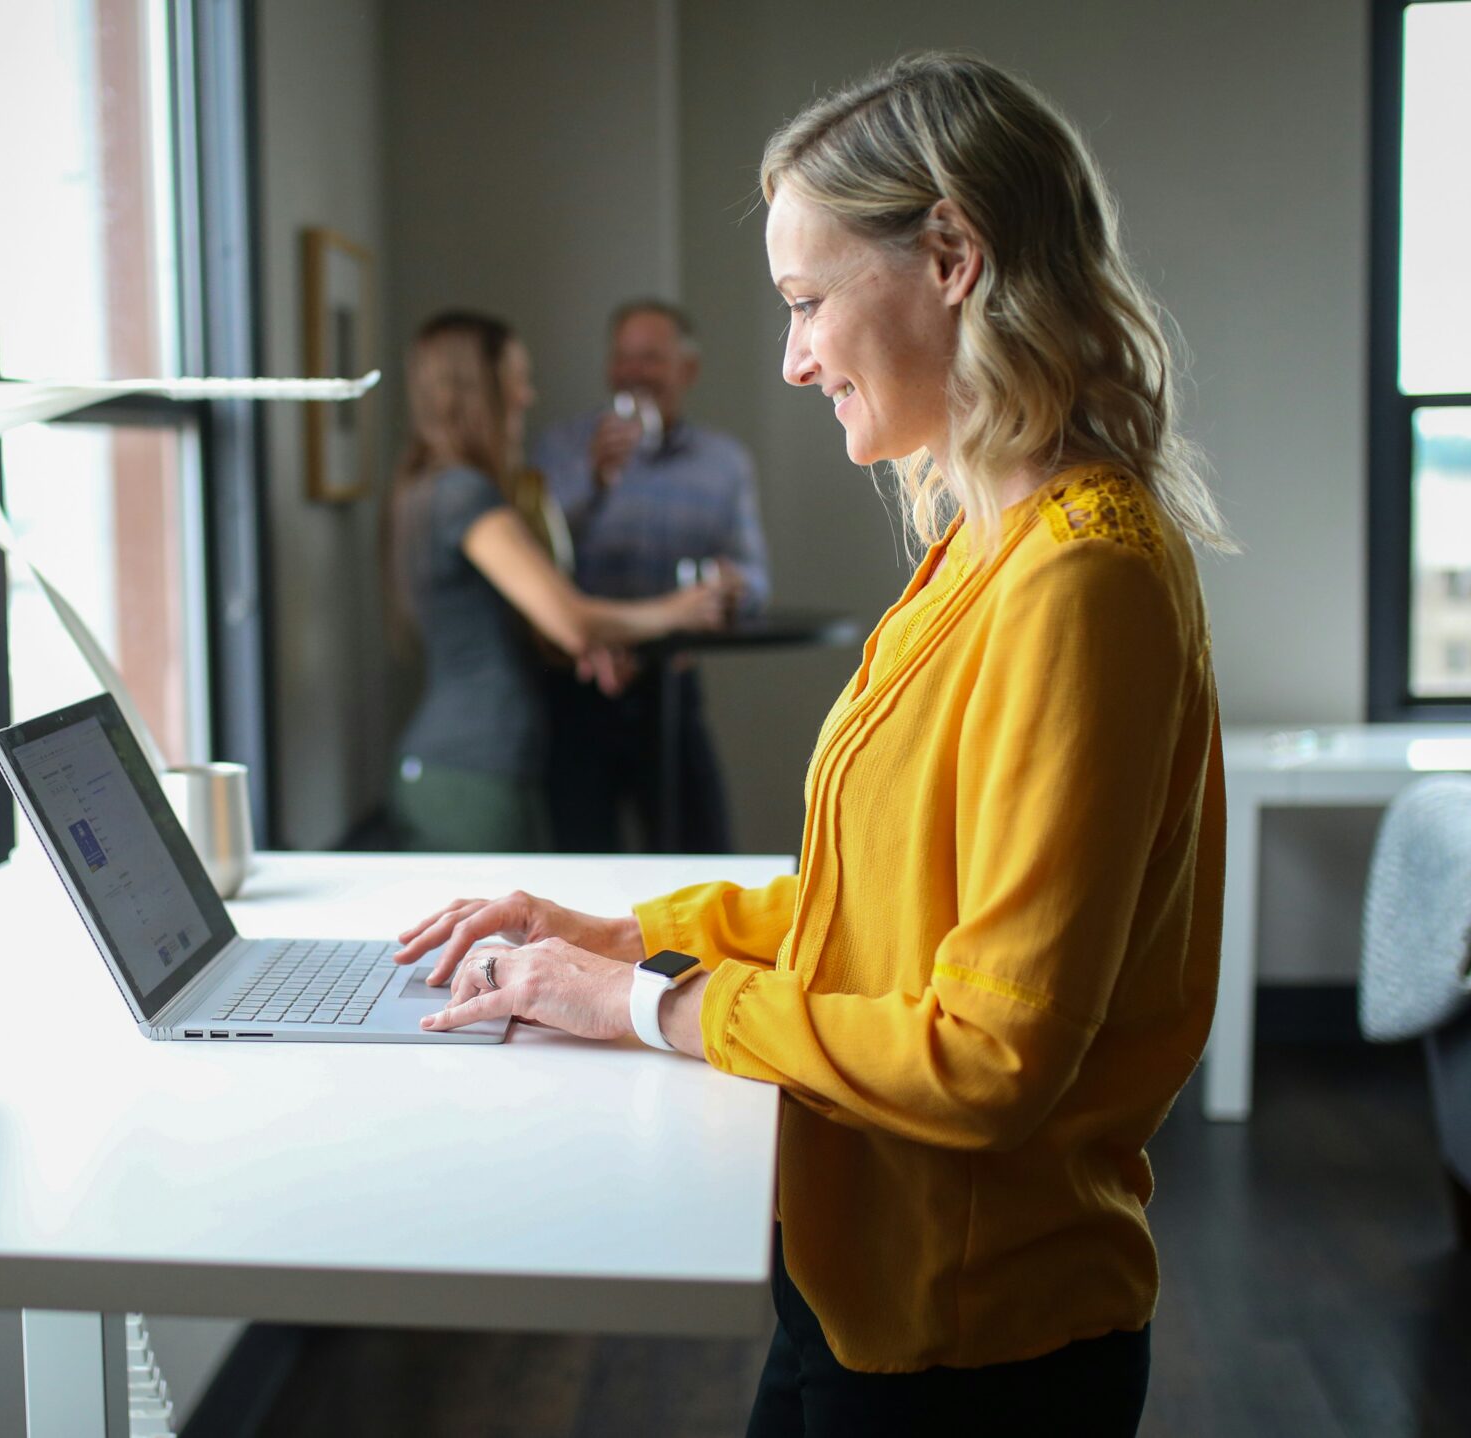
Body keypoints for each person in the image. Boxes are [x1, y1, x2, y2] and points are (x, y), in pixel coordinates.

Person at [390, 53, 1232, 1437]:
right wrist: (615, 933)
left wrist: (650, 1008)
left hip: (975, 1346)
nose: (793, 358)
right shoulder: (987, 545)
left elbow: (988, 1056)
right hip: (861, 1291)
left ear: (952, 253)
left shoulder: (1080, 578)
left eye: (806, 302)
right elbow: (879, 913)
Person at [385, 310, 727, 853]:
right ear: (480, 390)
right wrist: (679, 611)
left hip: (469, 767)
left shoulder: (437, 488)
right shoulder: (465, 496)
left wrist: (586, 648)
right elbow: (570, 617)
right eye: (516, 379)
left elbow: (525, 626)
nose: (527, 396)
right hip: (473, 771)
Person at [530, 301, 771, 853]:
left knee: (701, 855)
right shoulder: (563, 448)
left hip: (671, 686)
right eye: (623, 359)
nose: (633, 373)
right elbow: (534, 559)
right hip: (578, 688)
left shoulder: (724, 462)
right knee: (583, 865)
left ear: (687, 371)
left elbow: (755, 577)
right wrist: (591, 482)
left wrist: (733, 591)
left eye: (651, 359)